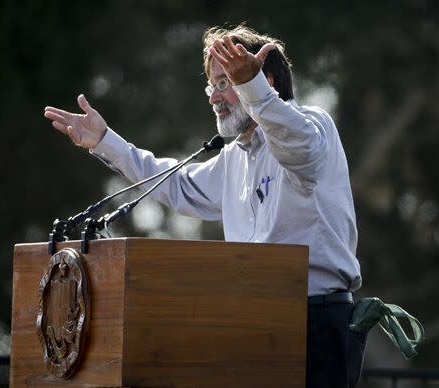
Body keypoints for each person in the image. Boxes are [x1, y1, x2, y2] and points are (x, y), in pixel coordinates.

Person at [44, 24, 366, 388]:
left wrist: (251, 87)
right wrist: (104, 141)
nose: (214, 96)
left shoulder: (312, 125)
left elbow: (299, 148)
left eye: (224, 82)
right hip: (252, 323)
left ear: (266, 81)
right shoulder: (234, 158)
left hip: (316, 322)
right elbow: (174, 185)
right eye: (211, 85)